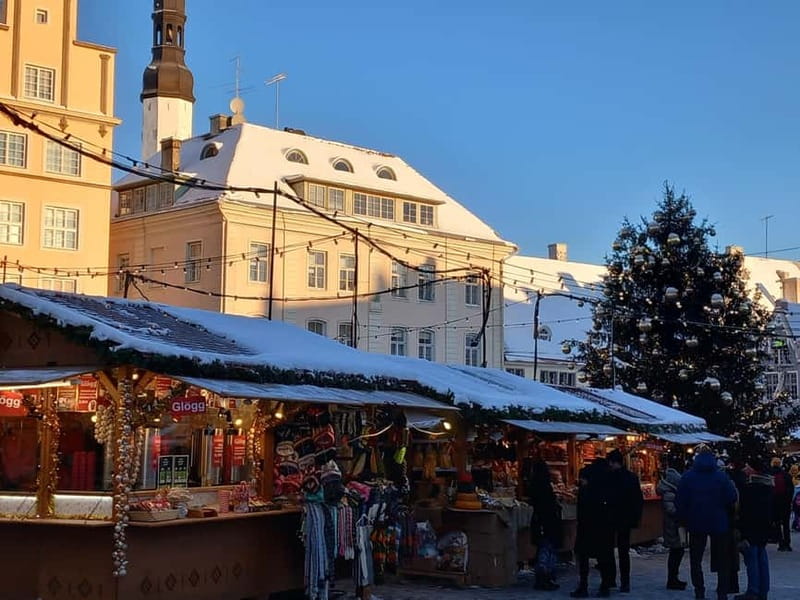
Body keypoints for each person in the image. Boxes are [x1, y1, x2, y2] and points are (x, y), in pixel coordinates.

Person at [676, 448, 738, 600]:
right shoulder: (721, 476)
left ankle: (699, 590)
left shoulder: (688, 477)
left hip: (695, 521)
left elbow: (680, 501)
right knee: (723, 559)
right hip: (719, 522)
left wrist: (684, 518)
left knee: (695, 559)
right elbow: (732, 497)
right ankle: (722, 592)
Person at [570, 457, 614, 598]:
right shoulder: (607, 486)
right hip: (604, 528)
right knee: (603, 557)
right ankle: (605, 586)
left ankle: (583, 586)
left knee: (584, 557)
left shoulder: (587, 489)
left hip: (587, 527)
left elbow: (582, 509)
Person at [735, 457, 773, 600]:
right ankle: (763, 590)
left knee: (752, 560)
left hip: (751, 529)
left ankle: (753, 591)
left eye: (747, 466)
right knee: (761, 558)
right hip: (763, 528)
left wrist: (741, 529)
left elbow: (745, 511)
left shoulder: (750, 489)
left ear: (753, 470)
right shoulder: (768, 487)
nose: (745, 469)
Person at [607, 449, 644, 593]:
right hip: (626, 519)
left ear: (612, 462)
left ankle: (610, 579)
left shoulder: (609, 478)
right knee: (624, 552)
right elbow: (638, 500)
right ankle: (625, 582)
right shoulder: (631, 477)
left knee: (609, 550)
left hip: (611, 518)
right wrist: (635, 518)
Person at [527, 457, 562, 591]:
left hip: (539, 520)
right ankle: (546, 577)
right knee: (548, 549)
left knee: (543, 548)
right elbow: (549, 504)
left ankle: (542, 577)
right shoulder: (545, 486)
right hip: (549, 520)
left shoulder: (533, 484)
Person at [657, 456, 688, 590]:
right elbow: (671, 509)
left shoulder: (670, 490)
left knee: (677, 552)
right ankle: (672, 579)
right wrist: (683, 510)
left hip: (675, 525)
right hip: (673, 526)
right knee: (676, 552)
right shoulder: (670, 492)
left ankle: (674, 578)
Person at [768, 457, 793, 551]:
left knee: (777, 523)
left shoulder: (769, 475)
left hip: (774, 502)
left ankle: (781, 543)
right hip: (785, 502)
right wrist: (789, 500)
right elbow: (790, 489)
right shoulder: (786, 475)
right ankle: (787, 543)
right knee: (786, 524)